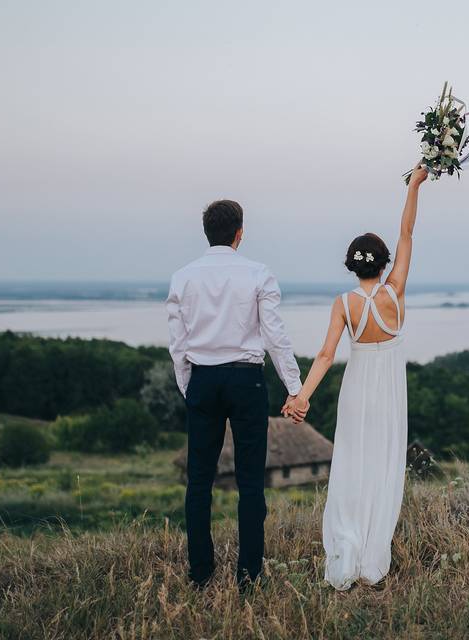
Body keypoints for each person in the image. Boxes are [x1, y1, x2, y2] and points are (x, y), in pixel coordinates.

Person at [283, 164, 428, 589]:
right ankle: (372, 555)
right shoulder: (395, 292)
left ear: (352, 266)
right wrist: (414, 186)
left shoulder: (344, 303)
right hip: (389, 392)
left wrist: (302, 397)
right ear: (383, 264)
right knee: (383, 466)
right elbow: (406, 233)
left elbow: (327, 354)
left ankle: (348, 547)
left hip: (357, 388)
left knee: (351, 465)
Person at [166, 199, 304, 591]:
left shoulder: (183, 277)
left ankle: (201, 574)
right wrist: (295, 389)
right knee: (250, 482)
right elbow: (275, 336)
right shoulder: (258, 274)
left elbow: (178, 345)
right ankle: (249, 576)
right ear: (239, 233)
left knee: (199, 482)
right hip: (246, 382)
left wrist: (188, 386)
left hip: (203, 382)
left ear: (207, 233)